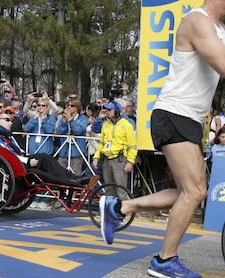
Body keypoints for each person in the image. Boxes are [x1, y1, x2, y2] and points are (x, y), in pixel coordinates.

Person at [100, 3, 225, 278]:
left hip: (190, 118)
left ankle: (121, 206)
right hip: (174, 113)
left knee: (189, 193)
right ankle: (164, 261)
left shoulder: (219, 29)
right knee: (194, 192)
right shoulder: (198, 20)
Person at [0, 113, 99, 186]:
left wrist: (26, 158)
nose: (11, 122)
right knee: (41, 165)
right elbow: (6, 154)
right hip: (12, 166)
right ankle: (72, 181)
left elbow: (17, 151)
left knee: (46, 158)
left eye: (11, 120)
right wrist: (27, 161)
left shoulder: (7, 136)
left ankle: (75, 179)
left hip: (19, 162)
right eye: (7, 120)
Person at [92, 101, 137, 187]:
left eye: (109, 110)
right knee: (108, 188)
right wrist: (96, 157)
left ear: (116, 111)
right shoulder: (105, 124)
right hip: (106, 159)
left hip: (119, 159)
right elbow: (101, 143)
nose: (107, 112)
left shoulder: (126, 125)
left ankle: (124, 201)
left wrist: (130, 162)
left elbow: (132, 146)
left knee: (121, 189)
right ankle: (110, 200)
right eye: (106, 109)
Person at [55, 98, 88, 176]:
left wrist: (70, 120)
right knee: (60, 175)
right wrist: (63, 122)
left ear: (77, 107)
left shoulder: (83, 118)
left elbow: (78, 131)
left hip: (76, 152)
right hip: (63, 151)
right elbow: (59, 132)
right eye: (68, 106)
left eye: (72, 106)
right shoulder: (63, 118)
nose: (69, 107)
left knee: (75, 176)